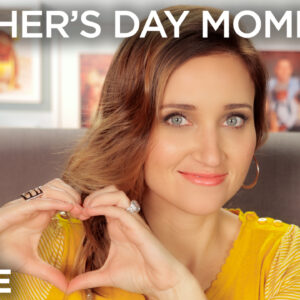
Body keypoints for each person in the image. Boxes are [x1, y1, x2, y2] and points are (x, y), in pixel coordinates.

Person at [0, 5, 299, 300]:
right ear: (128, 127)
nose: (212, 155)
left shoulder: (288, 259)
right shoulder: (51, 249)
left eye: (233, 119)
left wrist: (177, 290)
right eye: (177, 118)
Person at [267, 58, 300, 131]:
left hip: (293, 121)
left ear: (291, 70)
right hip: (274, 119)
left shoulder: (297, 84)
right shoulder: (269, 84)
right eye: (281, 68)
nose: (284, 71)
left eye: (287, 68)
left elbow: (294, 113)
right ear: (276, 70)